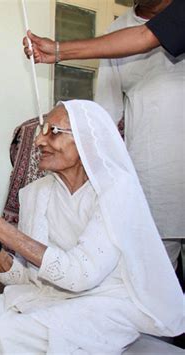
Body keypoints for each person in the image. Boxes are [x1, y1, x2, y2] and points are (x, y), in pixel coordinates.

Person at [0, 101, 183, 354]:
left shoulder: (116, 190)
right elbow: (25, 278)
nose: (39, 141)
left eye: (54, 132)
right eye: (41, 131)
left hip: (104, 303)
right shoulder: (35, 193)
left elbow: (80, 275)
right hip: (46, 296)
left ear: (86, 141)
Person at [95, 0, 184, 268]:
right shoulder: (116, 31)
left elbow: (147, 37)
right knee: (156, 292)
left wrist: (56, 50)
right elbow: (105, 114)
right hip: (152, 185)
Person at [23, 0, 185, 63]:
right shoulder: (118, 27)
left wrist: (58, 50)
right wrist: (57, 50)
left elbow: (145, 37)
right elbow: (144, 35)